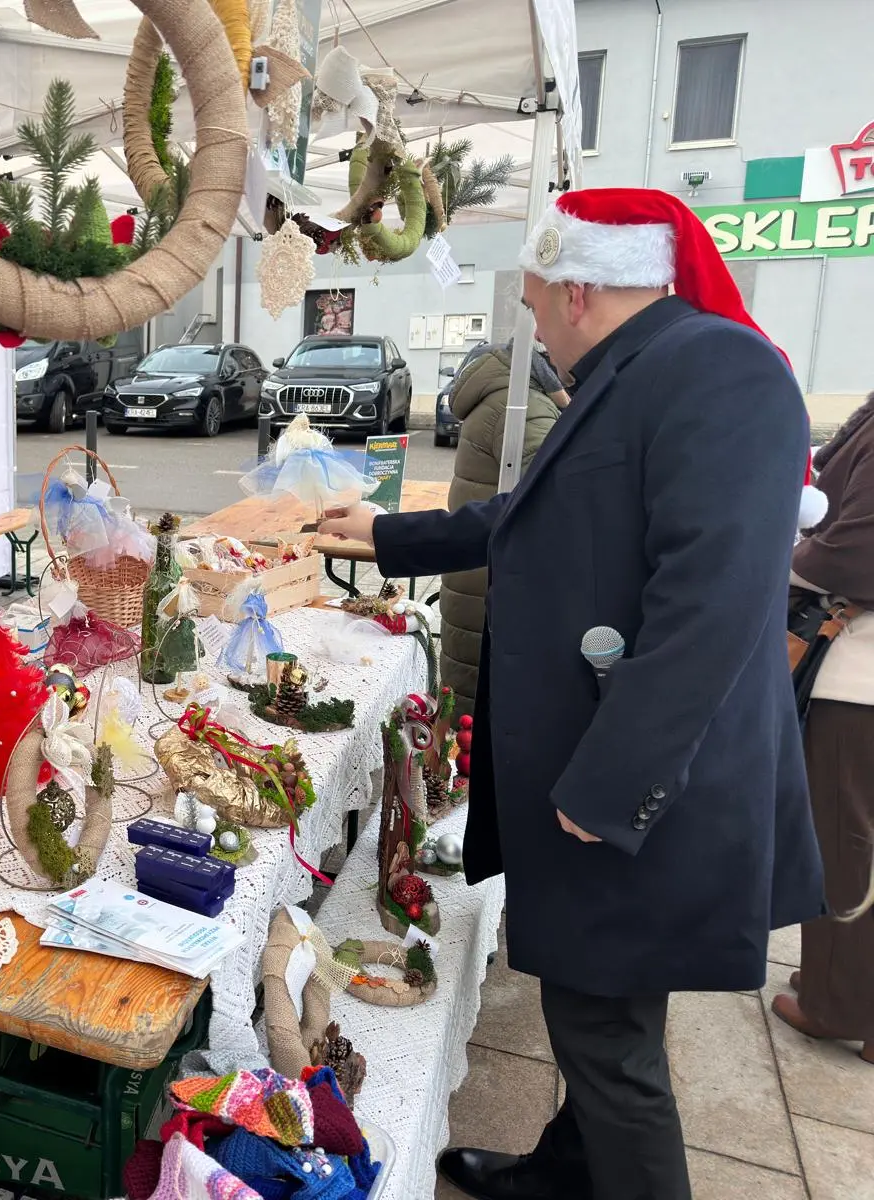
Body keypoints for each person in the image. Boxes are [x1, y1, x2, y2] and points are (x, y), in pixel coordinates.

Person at [322, 189, 825, 1200]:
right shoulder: (633, 371)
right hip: (612, 764)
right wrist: (384, 536)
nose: (533, 315)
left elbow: (712, 606)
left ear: (581, 286)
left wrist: (611, 787)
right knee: (597, 1013)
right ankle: (566, 1170)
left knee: (608, 1041)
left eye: (537, 297)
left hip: (636, 784)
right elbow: (534, 515)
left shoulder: (716, 370)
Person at [774, 391, 874, 1064]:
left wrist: (783, 554)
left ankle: (837, 1004)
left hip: (861, 671)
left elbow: (854, 555)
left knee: (843, 837)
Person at [439, 342, 564, 715]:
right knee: (477, 721)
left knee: (465, 712)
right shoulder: (524, 410)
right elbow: (550, 508)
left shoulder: (507, 396)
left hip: (473, 581)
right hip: (493, 591)